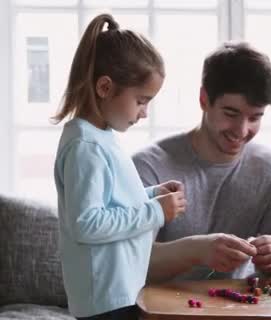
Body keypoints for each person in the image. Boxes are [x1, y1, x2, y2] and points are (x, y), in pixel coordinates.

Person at [52, 14, 186, 319]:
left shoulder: (100, 137)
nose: (144, 113)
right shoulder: (85, 146)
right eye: (141, 100)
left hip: (119, 290)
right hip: (105, 298)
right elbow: (87, 223)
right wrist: (155, 212)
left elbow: (113, 199)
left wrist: (152, 195)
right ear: (104, 87)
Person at [132, 42, 271, 282]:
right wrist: (197, 251)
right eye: (231, 114)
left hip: (236, 309)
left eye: (255, 117)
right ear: (204, 99)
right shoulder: (148, 167)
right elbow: (128, 261)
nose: (242, 130)